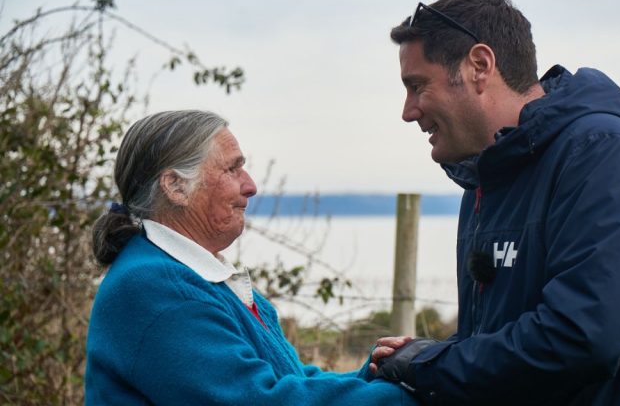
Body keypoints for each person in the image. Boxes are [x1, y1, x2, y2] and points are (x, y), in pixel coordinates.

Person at [371, 0, 620, 405]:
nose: (408, 111)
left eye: (417, 85)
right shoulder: (486, 180)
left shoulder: (600, 154)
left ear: (479, 66)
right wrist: (428, 357)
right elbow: (502, 344)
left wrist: (431, 365)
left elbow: (583, 335)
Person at [85, 110, 416, 405]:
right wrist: (407, 398)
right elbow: (259, 399)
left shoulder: (191, 276)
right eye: (232, 169)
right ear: (175, 186)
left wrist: (372, 375)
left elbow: (288, 381)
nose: (251, 186)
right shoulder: (156, 289)